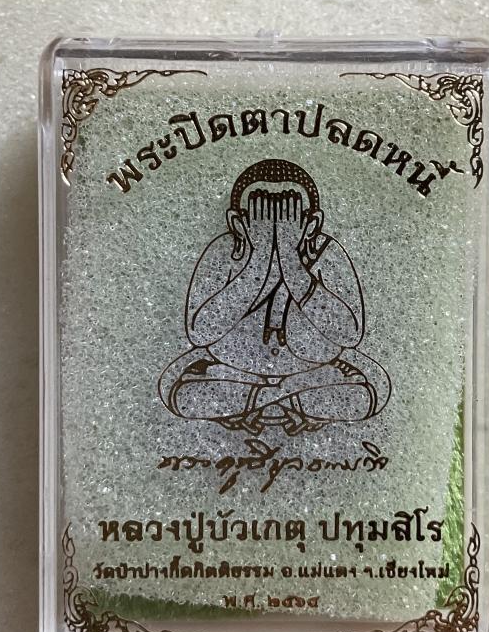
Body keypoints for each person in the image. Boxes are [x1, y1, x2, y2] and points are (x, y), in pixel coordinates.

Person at [159, 159, 390, 436]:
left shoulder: (325, 252)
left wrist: (291, 262)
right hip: (233, 372)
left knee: (362, 397)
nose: (276, 228)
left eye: (288, 217)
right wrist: (259, 261)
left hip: (312, 374)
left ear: (311, 223)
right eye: (262, 217)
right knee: (184, 394)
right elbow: (199, 333)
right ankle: (283, 400)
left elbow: (349, 335)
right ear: (238, 223)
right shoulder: (226, 251)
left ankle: (261, 401)